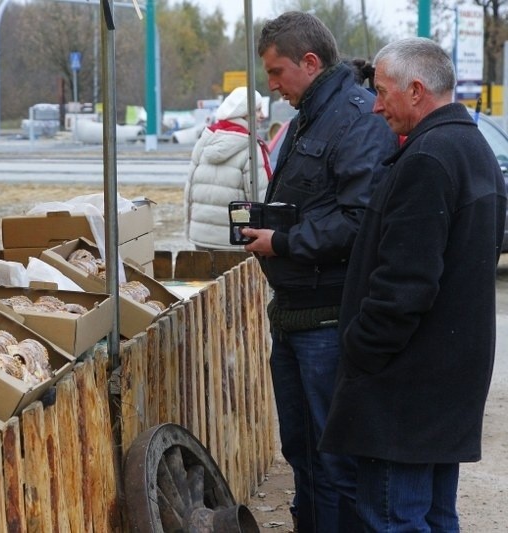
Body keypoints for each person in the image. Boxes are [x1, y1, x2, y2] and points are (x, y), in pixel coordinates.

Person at [319, 37, 507, 532]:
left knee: (393, 518)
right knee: (435, 515)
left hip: (404, 389)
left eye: (382, 92)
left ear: (417, 90)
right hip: (444, 380)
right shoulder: (473, 148)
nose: (376, 106)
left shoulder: (429, 159)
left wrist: (359, 349)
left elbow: (405, 286)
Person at [243, 11, 399, 533]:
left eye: (277, 72)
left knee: (334, 461)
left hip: (329, 322)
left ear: (310, 63)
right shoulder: (310, 115)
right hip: (296, 316)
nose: (272, 85)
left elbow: (359, 220)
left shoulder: (356, 118)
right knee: (302, 452)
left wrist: (282, 241)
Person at [184, 86, 270, 250]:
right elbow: (260, 197)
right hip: (236, 242)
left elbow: (189, 190)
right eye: (258, 110)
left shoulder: (205, 139)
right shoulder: (251, 147)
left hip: (200, 238)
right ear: (245, 113)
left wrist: (189, 229)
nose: (262, 116)